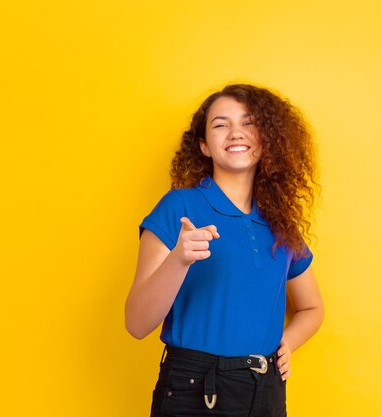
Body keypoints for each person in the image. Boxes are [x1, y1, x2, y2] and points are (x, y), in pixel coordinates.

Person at [125, 84, 324, 417]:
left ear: (266, 139)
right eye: (220, 124)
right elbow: (136, 323)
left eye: (248, 122)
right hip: (195, 388)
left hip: (266, 390)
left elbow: (312, 307)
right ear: (204, 145)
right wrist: (179, 259)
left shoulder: (279, 222)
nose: (235, 132)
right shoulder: (179, 207)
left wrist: (288, 342)